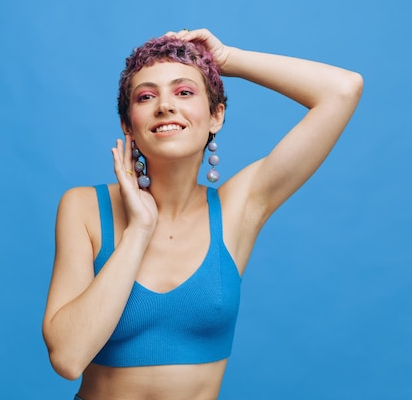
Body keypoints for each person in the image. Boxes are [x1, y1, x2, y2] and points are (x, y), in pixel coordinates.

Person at [42, 28, 363, 400]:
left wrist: (229, 59)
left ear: (216, 116)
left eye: (184, 92)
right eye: (146, 96)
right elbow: (67, 358)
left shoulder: (238, 208)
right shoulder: (84, 208)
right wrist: (138, 231)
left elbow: (343, 90)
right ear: (128, 125)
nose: (165, 105)